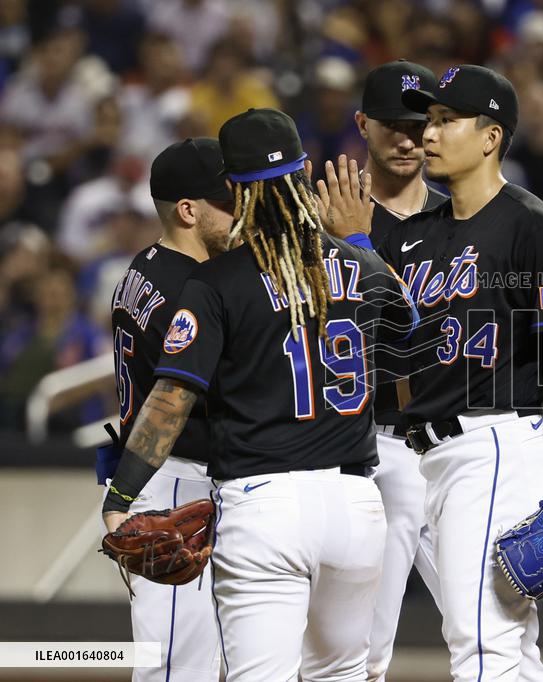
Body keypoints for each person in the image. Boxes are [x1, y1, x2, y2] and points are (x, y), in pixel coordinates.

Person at [101, 108, 418, 681]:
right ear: (302, 176)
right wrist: (360, 242)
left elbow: (172, 399)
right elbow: (410, 332)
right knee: (342, 673)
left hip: (260, 499)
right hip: (355, 502)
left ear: (240, 192)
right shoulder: (358, 263)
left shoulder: (213, 280)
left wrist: (121, 494)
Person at [373, 64, 543, 681]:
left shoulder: (535, 229)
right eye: (431, 119)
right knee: (511, 648)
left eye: (448, 120)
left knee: (480, 642)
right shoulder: (413, 236)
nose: (430, 132)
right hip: (434, 458)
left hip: (497, 444)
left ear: (490, 136)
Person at [103, 137, 233, 681]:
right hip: (179, 483)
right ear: (188, 210)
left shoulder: (146, 265)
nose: (241, 210)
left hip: (156, 473)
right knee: (177, 669)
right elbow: (199, 397)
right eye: (229, 200)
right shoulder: (191, 287)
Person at [354, 58, 448, 682]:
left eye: (422, 122)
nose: (408, 137)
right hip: (364, 447)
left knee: (502, 625)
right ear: (362, 124)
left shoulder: (458, 219)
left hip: (451, 447)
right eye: (392, 123)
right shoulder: (323, 219)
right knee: (361, 651)